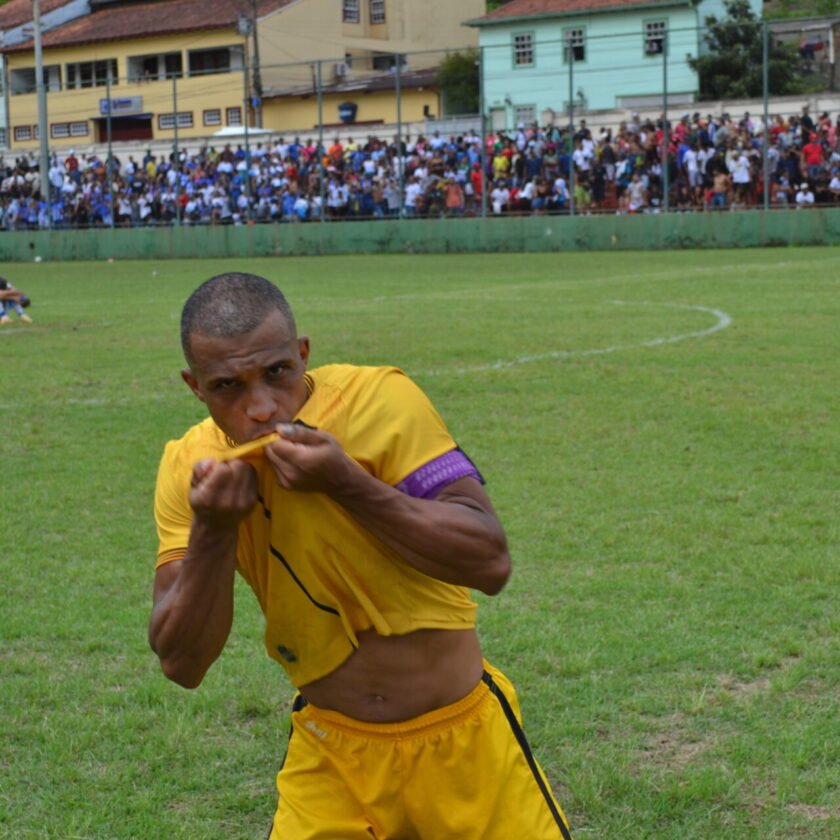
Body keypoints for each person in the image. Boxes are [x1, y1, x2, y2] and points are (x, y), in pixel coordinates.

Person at [149, 273, 573, 840]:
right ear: (195, 387)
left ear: (302, 354)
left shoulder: (379, 399)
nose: (260, 408)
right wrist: (213, 531)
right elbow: (182, 664)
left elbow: (489, 561)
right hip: (331, 756)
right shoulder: (189, 466)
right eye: (228, 386)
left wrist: (349, 484)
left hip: (463, 739)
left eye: (277, 372)